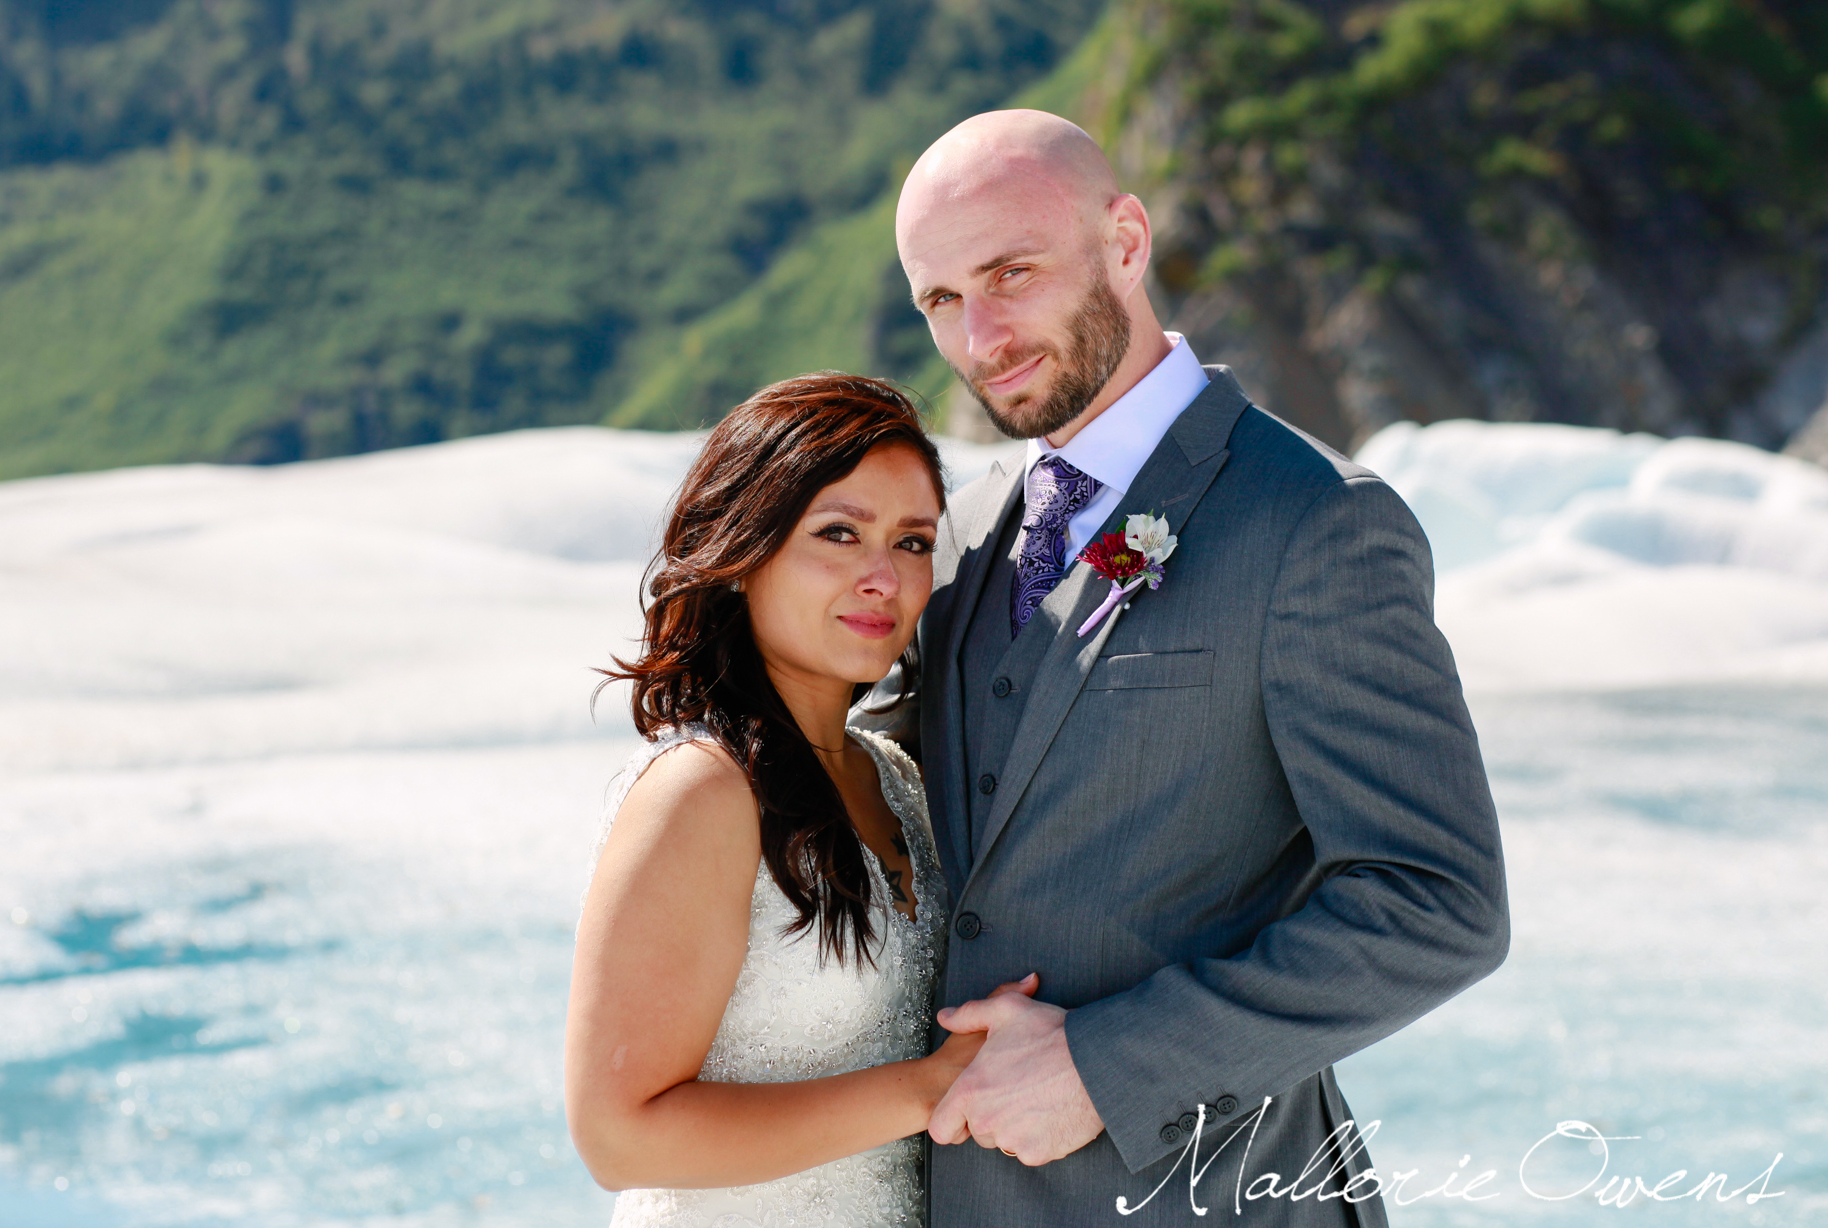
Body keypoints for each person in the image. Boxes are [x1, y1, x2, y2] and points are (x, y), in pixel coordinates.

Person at [858, 109, 1511, 1225]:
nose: (981, 336)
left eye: (1010, 272)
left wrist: (1102, 1068)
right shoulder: (955, 537)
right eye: (941, 299)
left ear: (1123, 239)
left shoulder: (1314, 523)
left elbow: (1436, 901)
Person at [566, 373, 1031, 1227]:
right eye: (839, 533)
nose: (882, 577)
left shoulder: (894, 777)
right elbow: (616, 1136)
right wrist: (927, 1089)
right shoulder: (702, 791)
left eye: (914, 542)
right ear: (745, 552)